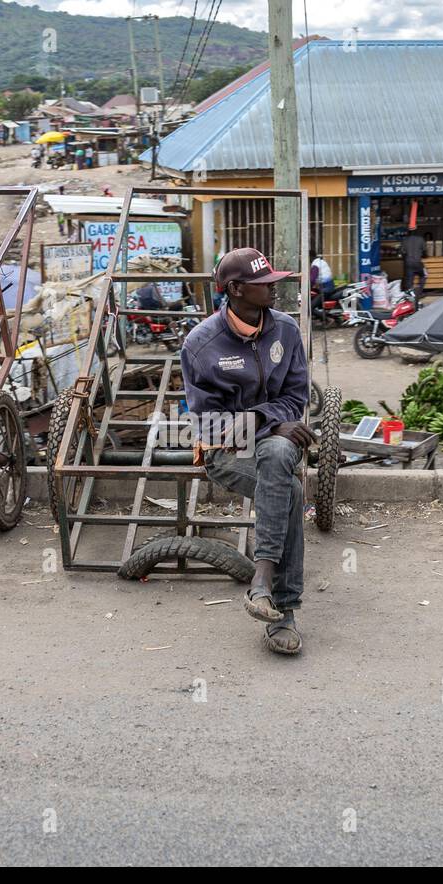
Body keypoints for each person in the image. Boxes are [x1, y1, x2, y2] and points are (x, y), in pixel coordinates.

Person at [181, 247, 311, 655]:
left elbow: (296, 396)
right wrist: (267, 421)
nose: (274, 288)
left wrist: (270, 424)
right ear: (235, 290)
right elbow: (208, 423)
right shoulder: (201, 345)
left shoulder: (286, 330)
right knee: (288, 492)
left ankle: (263, 586)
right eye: (263, 284)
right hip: (225, 450)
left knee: (275, 457)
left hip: (277, 442)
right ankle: (280, 603)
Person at [400, 228, 426, 297]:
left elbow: (402, 252)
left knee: (409, 280)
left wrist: (405, 259)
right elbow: (424, 251)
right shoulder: (421, 239)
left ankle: (411, 295)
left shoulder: (405, 240)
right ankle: (419, 292)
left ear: (408, 232)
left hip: (408, 263)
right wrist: (422, 255)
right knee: (423, 275)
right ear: (416, 232)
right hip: (418, 262)